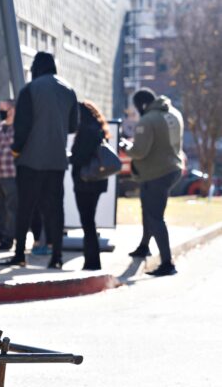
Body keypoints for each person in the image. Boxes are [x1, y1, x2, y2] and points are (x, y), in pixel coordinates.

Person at [0, 52, 78, 269]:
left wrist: (16, 151)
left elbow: (22, 128)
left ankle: (19, 255)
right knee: (55, 209)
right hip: (57, 160)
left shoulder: (29, 90)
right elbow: (73, 126)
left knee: (26, 207)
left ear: (36, 68)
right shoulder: (68, 90)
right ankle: (57, 257)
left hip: (30, 160)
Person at [123, 88, 184, 277]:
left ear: (142, 104)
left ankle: (167, 263)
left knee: (155, 216)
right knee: (148, 210)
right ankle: (144, 246)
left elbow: (139, 151)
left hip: (156, 173)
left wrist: (125, 147)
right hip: (172, 168)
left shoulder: (148, 120)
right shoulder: (174, 113)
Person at [69, 101, 110, 270]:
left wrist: (70, 157)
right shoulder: (98, 129)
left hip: (85, 182)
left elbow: (80, 157)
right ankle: (92, 260)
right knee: (89, 221)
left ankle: (92, 261)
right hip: (97, 182)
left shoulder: (86, 131)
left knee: (87, 222)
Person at [0, 98, 17, 250]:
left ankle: (9, 239)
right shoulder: (1, 126)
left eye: (3, 108)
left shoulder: (18, 127)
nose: (1, 111)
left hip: (12, 172)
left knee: (11, 208)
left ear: (12, 110)